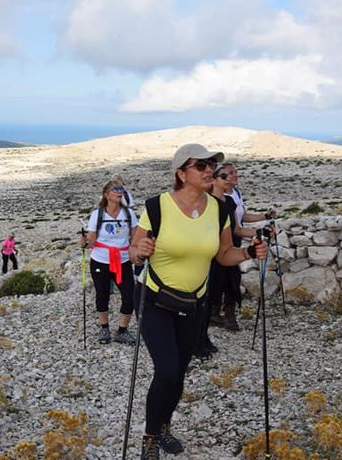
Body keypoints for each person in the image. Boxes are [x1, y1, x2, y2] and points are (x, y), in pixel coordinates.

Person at [131, 144, 267, 459]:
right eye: (201, 165)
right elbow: (134, 250)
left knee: (179, 371)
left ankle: (164, 426)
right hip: (154, 298)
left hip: (193, 302)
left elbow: (224, 254)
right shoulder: (157, 206)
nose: (209, 170)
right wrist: (140, 252)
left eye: (211, 165)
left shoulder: (219, 210)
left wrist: (248, 252)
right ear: (181, 173)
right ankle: (150, 438)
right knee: (166, 369)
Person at [81, 178, 138, 345]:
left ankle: (122, 330)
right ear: (106, 194)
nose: (120, 192)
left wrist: (137, 255)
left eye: (121, 189)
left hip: (123, 260)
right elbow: (91, 241)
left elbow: (135, 238)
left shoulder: (129, 214)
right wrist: (84, 243)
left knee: (129, 296)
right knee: (102, 294)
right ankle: (104, 328)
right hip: (100, 260)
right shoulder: (97, 214)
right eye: (116, 189)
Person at [208, 164, 259, 332]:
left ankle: (229, 315)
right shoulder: (206, 202)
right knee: (216, 282)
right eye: (224, 176)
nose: (229, 178)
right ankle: (213, 313)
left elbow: (236, 229)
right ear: (213, 180)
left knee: (232, 280)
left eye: (230, 175)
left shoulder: (229, 202)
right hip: (213, 250)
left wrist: (259, 232)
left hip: (231, 248)